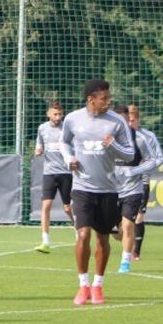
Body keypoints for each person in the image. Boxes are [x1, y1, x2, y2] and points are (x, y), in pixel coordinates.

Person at [59, 79, 134, 305]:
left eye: (109, 97)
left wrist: (114, 146)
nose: (108, 101)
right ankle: (83, 285)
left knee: (103, 238)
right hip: (82, 188)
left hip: (109, 189)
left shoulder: (117, 122)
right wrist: (68, 159)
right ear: (91, 99)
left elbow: (130, 155)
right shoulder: (73, 119)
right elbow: (64, 143)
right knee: (83, 235)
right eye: (104, 98)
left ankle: (98, 285)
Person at [112, 104, 163, 273]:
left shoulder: (140, 138)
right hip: (110, 189)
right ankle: (128, 240)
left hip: (133, 188)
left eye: (126, 120)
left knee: (128, 225)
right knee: (114, 231)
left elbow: (155, 160)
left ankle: (125, 261)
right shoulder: (105, 139)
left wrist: (134, 170)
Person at [33, 100, 72, 254]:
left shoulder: (67, 129)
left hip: (66, 172)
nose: (57, 117)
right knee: (46, 206)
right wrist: (38, 150)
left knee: (68, 207)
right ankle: (45, 240)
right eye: (55, 114)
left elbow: (73, 147)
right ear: (48, 114)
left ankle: (78, 230)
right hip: (49, 172)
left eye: (60, 114)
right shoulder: (42, 128)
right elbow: (39, 145)